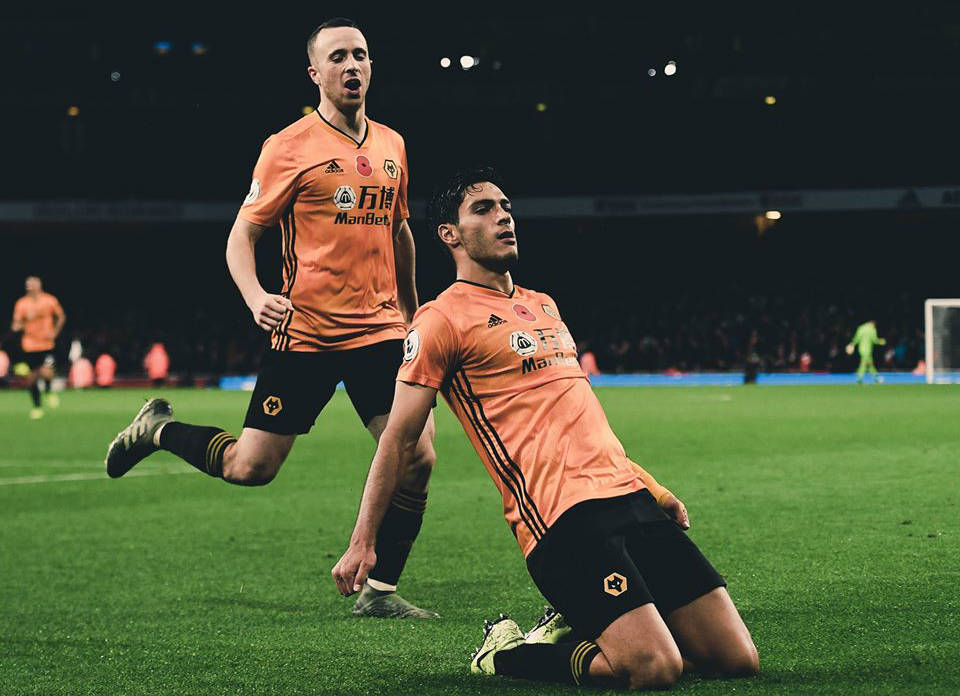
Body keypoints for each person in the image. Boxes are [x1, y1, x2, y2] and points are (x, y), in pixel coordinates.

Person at [332, 167, 759, 689]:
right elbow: (398, 439)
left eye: (506, 206)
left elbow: (579, 416)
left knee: (737, 661)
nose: (504, 216)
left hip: (630, 497)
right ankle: (506, 653)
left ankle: (584, 628)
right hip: (560, 516)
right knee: (654, 669)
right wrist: (363, 540)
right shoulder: (440, 319)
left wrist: (653, 487)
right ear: (449, 234)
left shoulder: (544, 304)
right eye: (483, 209)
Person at [105, 18, 437, 619]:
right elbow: (243, 234)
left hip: (380, 331)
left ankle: (380, 591)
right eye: (338, 57)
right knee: (251, 467)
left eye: (361, 55)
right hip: (305, 333)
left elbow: (400, 230)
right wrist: (255, 295)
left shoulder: (393, 144)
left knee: (417, 453)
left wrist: (414, 314)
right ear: (315, 73)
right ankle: (157, 430)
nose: (352, 66)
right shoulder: (288, 146)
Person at [10, 276, 65, 418]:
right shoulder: (21, 304)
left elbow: (61, 317)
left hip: (46, 344)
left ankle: (48, 392)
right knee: (32, 378)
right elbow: (16, 323)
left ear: (39, 286)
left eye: (32, 285)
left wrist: (55, 332)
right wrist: (18, 326)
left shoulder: (49, 300)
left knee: (47, 371)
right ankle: (37, 407)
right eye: (28, 285)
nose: (30, 287)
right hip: (29, 345)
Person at [846, 319, 886, 384]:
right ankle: (859, 377)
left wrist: (852, 344)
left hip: (861, 349)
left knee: (870, 364)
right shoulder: (872, 329)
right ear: (873, 324)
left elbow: (857, 338)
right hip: (867, 350)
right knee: (864, 363)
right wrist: (881, 342)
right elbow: (874, 340)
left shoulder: (861, 328)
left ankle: (876, 377)